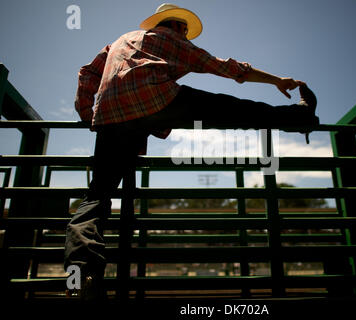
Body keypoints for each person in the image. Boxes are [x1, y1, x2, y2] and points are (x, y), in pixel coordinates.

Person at [64, 3, 318, 300]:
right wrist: (277, 80)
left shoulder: (120, 40)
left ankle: (82, 276)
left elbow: (87, 72)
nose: (187, 34)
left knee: (97, 195)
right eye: (185, 28)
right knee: (233, 109)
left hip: (111, 117)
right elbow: (227, 68)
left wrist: (89, 115)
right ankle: (299, 118)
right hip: (158, 100)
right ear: (176, 26)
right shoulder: (173, 41)